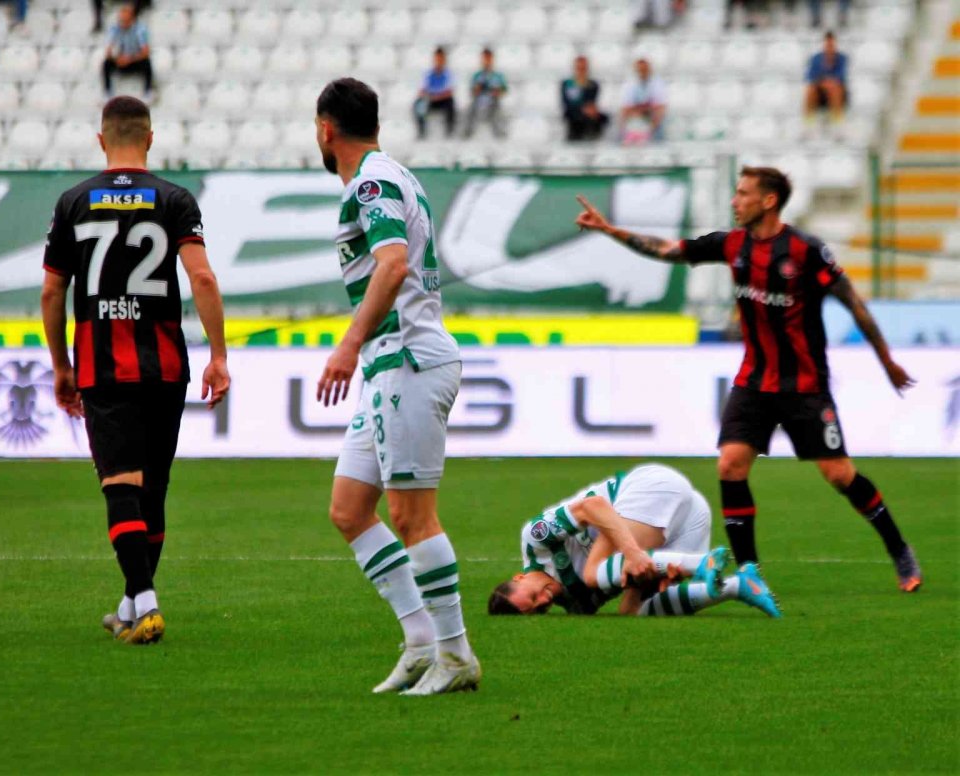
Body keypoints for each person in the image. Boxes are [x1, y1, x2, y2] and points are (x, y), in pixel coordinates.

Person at [575, 168, 922, 593]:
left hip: (804, 386)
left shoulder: (806, 250)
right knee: (730, 465)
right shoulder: (732, 244)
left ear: (769, 200)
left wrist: (887, 362)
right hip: (754, 383)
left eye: (743, 194)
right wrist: (610, 230)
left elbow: (854, 304)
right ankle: (750, 573)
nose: (735, 201)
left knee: (838, 474)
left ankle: (899, 549)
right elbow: (668, 250)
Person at [40, 96, 230, 645]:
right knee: (153, 492)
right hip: (165, 365)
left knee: (120, 486)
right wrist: (219, 356)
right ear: (150, 138)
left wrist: (61, 365)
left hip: (103, 365)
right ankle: (130, 604)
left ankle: (145, 605)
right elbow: (203, 279)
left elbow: (53, 291)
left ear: (102, 140)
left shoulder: (74, 202)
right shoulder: (174, 199)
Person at [314, 78, 479, 695]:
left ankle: (455, 654)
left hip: (406, 357)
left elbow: (392, 264)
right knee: (350, 509)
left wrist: (348, 344)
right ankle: (419, 641)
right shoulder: (393, 175)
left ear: (326, 129)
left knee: (413, 516)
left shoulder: (372, 184)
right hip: (391, 363)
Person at [487, 464, 781, 617]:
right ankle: (738, 587)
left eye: (534, 597)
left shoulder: (536, 540)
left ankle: (704, 563)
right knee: (632, 611)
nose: (546, 600)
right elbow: (634, 577)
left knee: (592, 573)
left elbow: (594, 507)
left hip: (651, 488)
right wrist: (657, 575)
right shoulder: (578, 605)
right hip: (689, 519)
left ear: (519, 577)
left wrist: (632, 553)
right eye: (540, 609)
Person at [102, 4, 153, 101]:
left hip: (134, 60)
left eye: (126, 20)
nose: (123, 23)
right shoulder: (114, 29)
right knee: (106, 63)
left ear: (132, 19)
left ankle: (148, 91)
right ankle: (107, 92)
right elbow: (108, 51)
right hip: (120, 60)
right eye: (121, 20)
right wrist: (116, 58)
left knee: (147, 62)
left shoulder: (140, 30)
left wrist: (130, 59)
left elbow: (146, 52)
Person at [804, 31, 849, 136]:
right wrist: (824, 82)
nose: (829, 47)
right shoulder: (816, 59)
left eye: (831, 44)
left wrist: (829, 82)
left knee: (836, 88)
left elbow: (842, 77)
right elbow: (810, 76)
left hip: (836, 91)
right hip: (819, 92)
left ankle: (838, 125)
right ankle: (808, 125)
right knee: (810, 89)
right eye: (827, 44)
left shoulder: (841, 59)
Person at [618, 58, 667, 144]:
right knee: (624, 118)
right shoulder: (630, 84)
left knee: (659, 115)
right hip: (635, 115)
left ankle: (656, 142)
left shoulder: (658, 83)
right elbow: (626, 106)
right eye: (640, 69)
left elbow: (660, 106)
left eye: (644, 69)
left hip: (651, 115)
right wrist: (639, 110)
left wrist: (644, 109)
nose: (642, 71)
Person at [560, 55, 609, 141]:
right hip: (573, 111)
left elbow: (592, 100)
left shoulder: (593, 84)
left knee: (601, 117)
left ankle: (593, 137)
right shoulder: (567, 84)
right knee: (578, 116)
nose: (581, 70)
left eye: (583, 68)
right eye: (579, 68)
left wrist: (590, 109)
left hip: (588, 111)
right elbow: (566, 102)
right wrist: (583, 108)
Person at [463, 48, 507, 139]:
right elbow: (472, 91)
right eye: (485, 58)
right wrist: (477, 89)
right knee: (470, 108)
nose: (486, 61)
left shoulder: (498, 76)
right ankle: (468, 132)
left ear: (492, 59)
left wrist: (496, 91)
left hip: (493, 100)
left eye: (488, 58)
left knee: (497, 108)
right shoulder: (477, 75)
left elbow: (504, 90)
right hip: (479, 100)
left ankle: (499, 133)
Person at [414, 47, 456, 139]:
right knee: (418, 103)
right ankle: (421, 131)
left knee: (451, 102)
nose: (439, 61)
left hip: (443, 100)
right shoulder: (428, 73)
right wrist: (427, 95)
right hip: (430, 99)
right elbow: (421, 90)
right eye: (437, 59)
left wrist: (437, 96)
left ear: (444, 60)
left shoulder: (449, 74)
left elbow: (449, 92)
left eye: (441, 59)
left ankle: (450, 130)